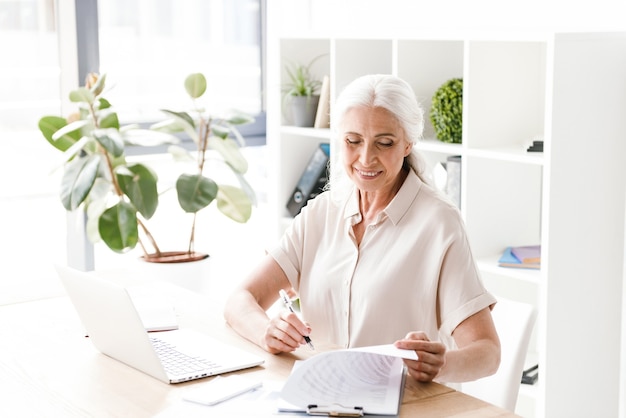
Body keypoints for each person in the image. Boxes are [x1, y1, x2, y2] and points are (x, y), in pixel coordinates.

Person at [224, 74, 500, 384]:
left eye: (384, 143)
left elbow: (487, 352)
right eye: (353, 141)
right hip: (320, 395)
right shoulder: (320, 212)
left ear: (408, 143)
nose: (366, 158)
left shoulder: (439, 223)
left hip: (402, 404)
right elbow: (239, 300)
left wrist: (442, 364)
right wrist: (267, 331)